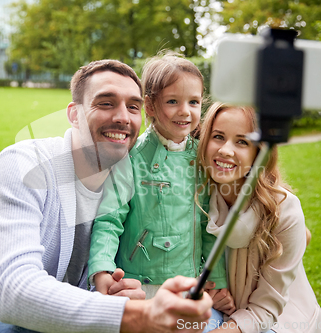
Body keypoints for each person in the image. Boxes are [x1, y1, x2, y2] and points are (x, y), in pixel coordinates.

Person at [0, 59, 214, 333]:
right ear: (73, 114)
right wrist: (137, 314)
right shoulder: (22, 165)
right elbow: (14, 294)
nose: (122, 117)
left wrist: (116, 292)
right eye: (105, 103)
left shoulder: (126, 178)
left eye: (132, 107)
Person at [88, 53, 233, 333]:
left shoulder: (202, 159)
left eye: (193, 102)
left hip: (186, 283)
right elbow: (109, 220)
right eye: (172, 102)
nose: (185, 111)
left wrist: (216, 282)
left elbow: (208, 225)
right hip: (139, 286)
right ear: (151, 106)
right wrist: (102, 270)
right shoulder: (131, 159)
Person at [195, 102, 321, 333]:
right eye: (218, 136)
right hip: (226, 310)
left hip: (279, 320)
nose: (226, 150)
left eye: (242, 141)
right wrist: (208, 292)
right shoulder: (202, 197)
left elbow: (266, 309)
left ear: (259, 152)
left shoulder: (285, 210)